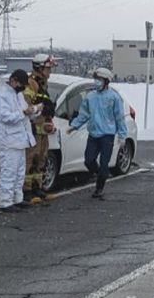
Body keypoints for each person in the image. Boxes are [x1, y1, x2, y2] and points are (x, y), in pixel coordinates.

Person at [68, 67, 127, 199]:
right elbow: (84, 114)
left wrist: (122, 135)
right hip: (93, 135)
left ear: (106, 81)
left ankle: (99, 188)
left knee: (104, 162)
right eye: (96, 79)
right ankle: (101, 173)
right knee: (89, 161)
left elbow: (119, 117)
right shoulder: (90, 97)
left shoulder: (114, 97)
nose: (96, 82)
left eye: (99, 79)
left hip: (107, 136)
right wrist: (74, 126)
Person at [0, 69, 37, 212]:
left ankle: (17, 199)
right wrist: (23, 113)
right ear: (13, 80)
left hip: (19, 139)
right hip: (8, 140)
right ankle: (5, 202)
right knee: (8, 172)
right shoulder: (2, 95)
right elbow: (5, 117)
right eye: (20, 84)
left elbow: (25, 114)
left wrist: (34, 110)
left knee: (19, 172)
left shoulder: (17, 95)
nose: (22, 87)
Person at [23, 53, 57, 202]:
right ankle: (27, 192)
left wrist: (49, 114)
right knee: (31, 159)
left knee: (41, 159)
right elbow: (27, 106)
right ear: (39, 67)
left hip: (42, 129)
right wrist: (41, 108)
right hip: (33, 129)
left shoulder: (43, 84)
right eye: (48, 68)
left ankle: (38, 188)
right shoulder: (31, 83)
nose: (50, 72)